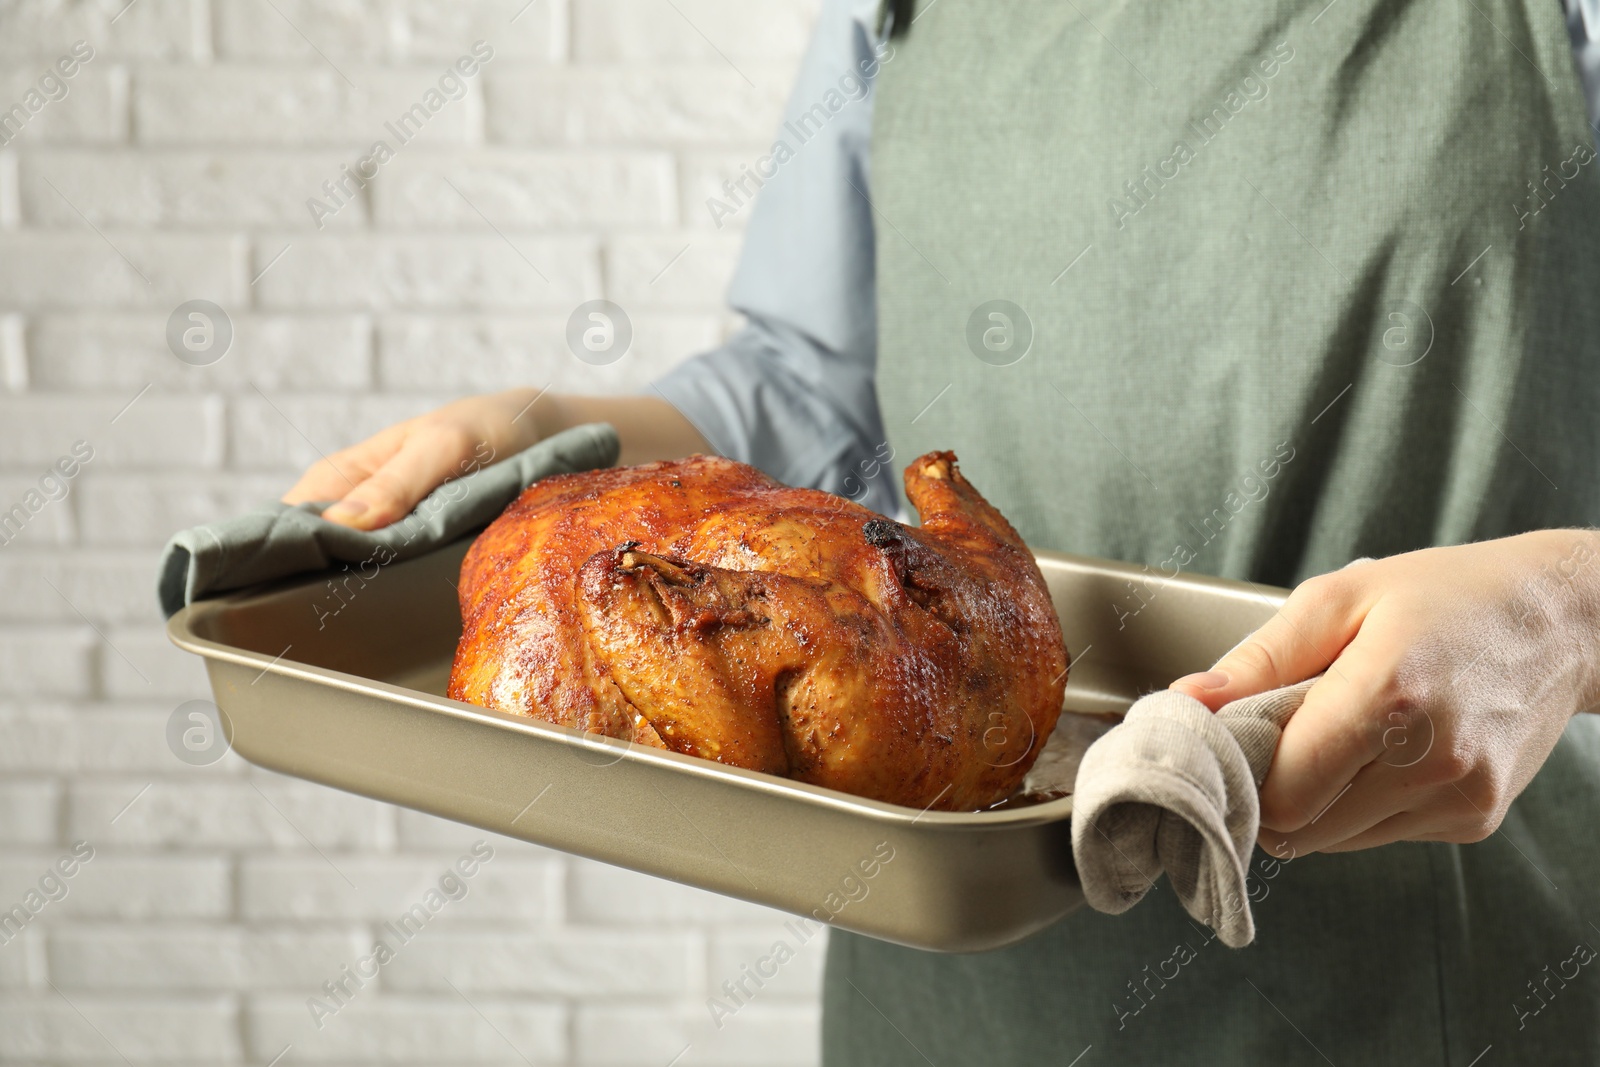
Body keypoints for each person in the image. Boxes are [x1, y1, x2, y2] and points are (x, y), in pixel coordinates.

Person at [285, 0, 1600, 1060]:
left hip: (1448, 982)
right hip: (954, 996)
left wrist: (1569, 608)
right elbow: (813, 386)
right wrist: (565, 428)